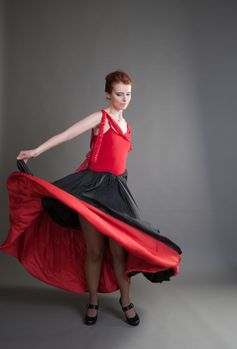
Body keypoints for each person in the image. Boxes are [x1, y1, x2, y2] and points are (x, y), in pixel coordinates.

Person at [0, 70, 182, 326]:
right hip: (92, 191)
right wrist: (36, 151)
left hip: (117, 193)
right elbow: (67, 134)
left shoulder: (128, 126)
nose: (124, 98)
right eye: (119, 94)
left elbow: (119, 165)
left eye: (128, 94)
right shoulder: (101, 117)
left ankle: (125, 301)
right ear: (108, 94)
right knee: (95, 251)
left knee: (120, 252)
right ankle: (93, 301)